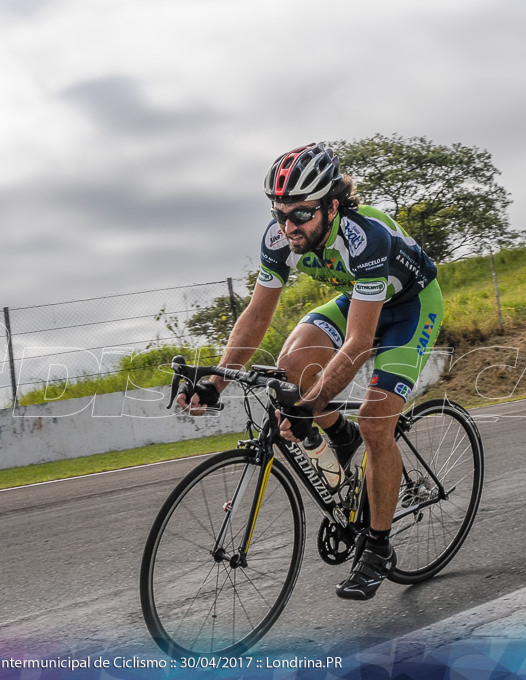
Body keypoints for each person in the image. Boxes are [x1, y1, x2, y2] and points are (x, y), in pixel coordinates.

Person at [177, 142, 444, 600]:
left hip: (409, 308)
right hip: (356, 299)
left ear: (331, 205)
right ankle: (341, 437)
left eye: (300, 213)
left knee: (377, 422)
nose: (287, 225)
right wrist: (216, 381)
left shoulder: (365, 237)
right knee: (292, 366)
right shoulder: (280, 237)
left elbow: (361, 342)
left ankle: (377, 548)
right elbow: (257, 317)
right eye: (279, 212)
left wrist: (311, 404)